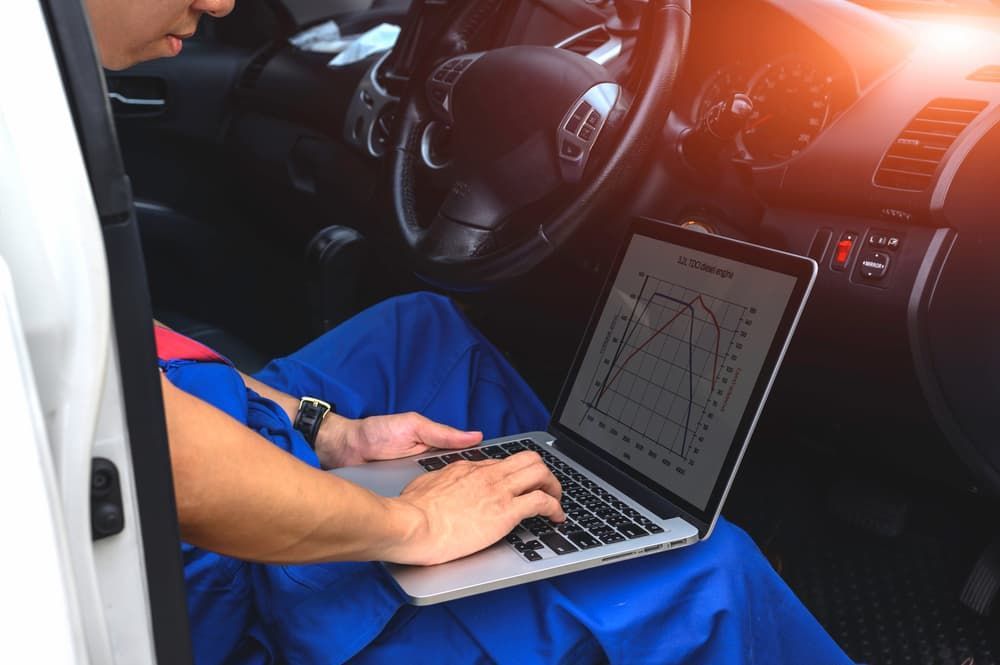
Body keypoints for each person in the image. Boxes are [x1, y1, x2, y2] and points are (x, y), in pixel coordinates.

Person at [83, 0, 857, 662]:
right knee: (707, 574)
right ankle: (610, 578)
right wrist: (413, 521)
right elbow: (154, 451)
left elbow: (123, 358)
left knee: (422, 330)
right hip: (207, 592)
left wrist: (323, 430)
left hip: (191, 430)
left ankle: (583, 516)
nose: (222, 3)